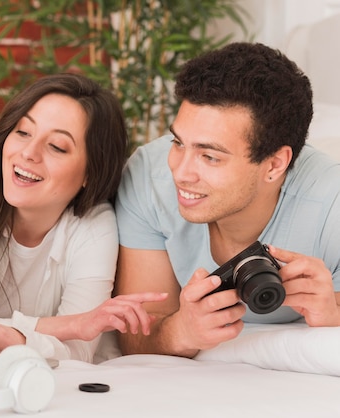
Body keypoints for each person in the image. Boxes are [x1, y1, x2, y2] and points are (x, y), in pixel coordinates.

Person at [0, 73, 166, 364]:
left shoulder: (94, 226)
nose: (28, 153)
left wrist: (9, 336)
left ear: (91, 172)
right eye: (23, 132)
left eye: (56, 147)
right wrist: (67, 327)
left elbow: (79, 353)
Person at [114, 42, 340, 359]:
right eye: (178, 142)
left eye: (209, 156)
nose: (180, 172)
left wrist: (333, 317)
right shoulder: (147, 177)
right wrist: (181, 331)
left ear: (275, 165)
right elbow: (137, 334)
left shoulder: (332, 203)